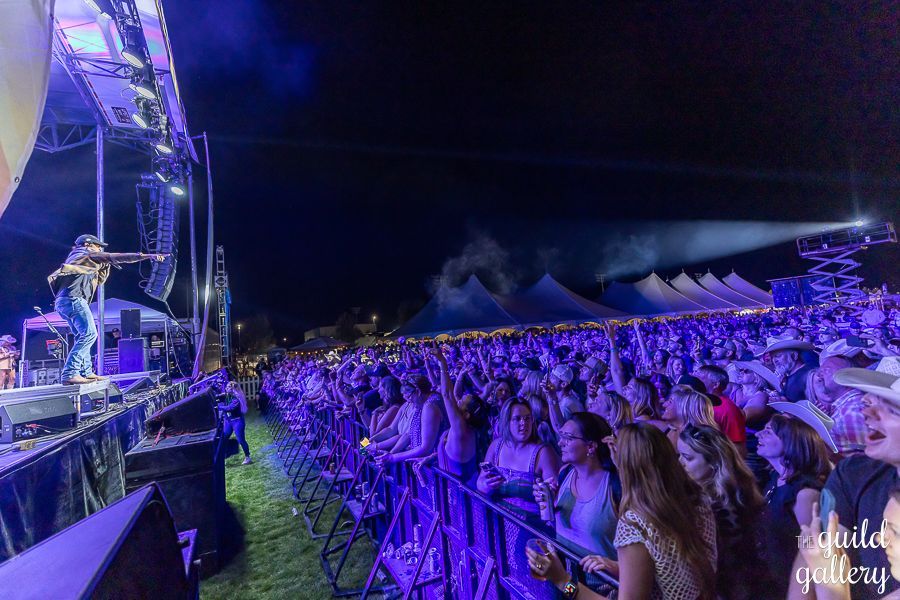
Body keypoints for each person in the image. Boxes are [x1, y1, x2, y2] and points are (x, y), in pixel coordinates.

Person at [527, 422, 717, 600]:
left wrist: (561, 580)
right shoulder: (697, 499)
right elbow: (670, 568)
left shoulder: (636, 524)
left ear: (626, 465)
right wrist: (621, 568)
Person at [798, 357, 900, 599]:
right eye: (869, 400)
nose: (866, 410)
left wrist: (832, 591)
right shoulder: (853, 474)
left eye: (890, 406)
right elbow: (815, 560)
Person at [47, 234, 165, 384]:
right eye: (98, 246)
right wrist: (147, 256)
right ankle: (70, 373)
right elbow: (117, 256)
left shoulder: (80, 259)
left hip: (64, 301)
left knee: (81, 336)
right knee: (89, 335)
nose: (100, 249)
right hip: (73, 299)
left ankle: (86, 372)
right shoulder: (85, 254)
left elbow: (101, 277)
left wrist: (105, 264)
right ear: (88, 245)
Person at [677, 424, 769, 600]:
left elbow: (729, 564)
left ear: (713, 462)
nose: (680, 462)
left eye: (687, 458)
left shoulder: (722, 506)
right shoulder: (729, 491)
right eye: (679, 455)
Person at [757, 414, 832, 598]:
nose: (758, 434)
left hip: (789, 585)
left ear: (791, 441)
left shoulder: (804, 493)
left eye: (768, 432)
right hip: (770, 581)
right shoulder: (777, 479)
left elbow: (811, 552)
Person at [538, 413, 619, 561]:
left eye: (568, 438)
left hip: (599, 583)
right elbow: (556, 526)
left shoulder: (615, 485)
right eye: (561, 436)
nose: (560, 443)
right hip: (565, 577)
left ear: (590, 446)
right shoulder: (565, 473)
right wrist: (549, 501)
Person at [477, 397, 560, 515]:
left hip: (529, 527)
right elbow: (480, 482)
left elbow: (554, 499)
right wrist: (484, 486)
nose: (524, 423)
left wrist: (549, 494)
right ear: (507, 421)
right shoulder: (496, 446)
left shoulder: (543, 453)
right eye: (517, 419)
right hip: (497, 522)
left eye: (527, 418)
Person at [694, 364, 747, 455]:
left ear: (715, 384)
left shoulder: (728, 410)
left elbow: (738, 448)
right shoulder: (695, 402)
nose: (694, 381)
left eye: (699, 379)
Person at [217, 381, 252, 465]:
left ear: (233, 389)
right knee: (224, 438)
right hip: (229, 421)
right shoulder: (227, 395)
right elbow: (218, 397)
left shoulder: (237, 398)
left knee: (241, 440)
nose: (226, 388)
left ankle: (248, 457)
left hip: (237, 421)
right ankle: (226, 455)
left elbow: (229, 408)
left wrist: (219, 407)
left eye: (228, 387)